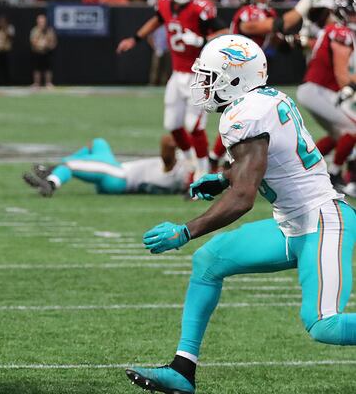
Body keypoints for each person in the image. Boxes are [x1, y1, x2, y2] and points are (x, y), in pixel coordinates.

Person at [126, 34, 355, 394]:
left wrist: (186, 230)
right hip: (293, 224)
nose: (204, 84)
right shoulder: (265, 99)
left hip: (324, 220)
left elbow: (244, 197)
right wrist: (223, 176)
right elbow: (262, 164)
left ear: (237, 77)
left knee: (323, 325)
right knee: (208, 261)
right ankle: (182, 369)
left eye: (211, 76)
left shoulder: (244, 114)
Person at [116, 0, 228, 179]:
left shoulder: (201, 8)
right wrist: (135, 39)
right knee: (173, 124)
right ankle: (189, 161)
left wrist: (201, 40)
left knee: (193, 125)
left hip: (199, 74)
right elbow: (156, 20)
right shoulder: (165, 4)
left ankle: (203, 168)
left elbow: (225, 32)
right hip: (177, 74)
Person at [208, 0, 324, 170]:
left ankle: (223, 158)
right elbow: (272, 26)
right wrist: (304, 4)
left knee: (250, 116)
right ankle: (218, 158)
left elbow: (280, 41)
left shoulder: (266, 11)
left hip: (253, 73)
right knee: (241, 116)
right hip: (238, 73)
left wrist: (299, 41)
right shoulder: (247, 12)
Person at [296, 0, 356, 188]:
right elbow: (341, 75)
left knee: (338, 136)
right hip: (319, 89)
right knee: (352, 129)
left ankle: (302, 172)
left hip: (317, 89)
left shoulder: (333, 31)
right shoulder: (341, 33)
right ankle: (334, 174)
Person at [22, 135, 192, 197]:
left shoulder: (175, 171)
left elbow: (167, 143)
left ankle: (51, 183)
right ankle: (55, 171)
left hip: (119, 177)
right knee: (99, 143)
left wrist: (185, 138)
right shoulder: (184, 174)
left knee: (69, 165)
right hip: (119, 169)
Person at [29, 14, 57, 88]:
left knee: (48, 68)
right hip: (37, 52)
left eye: (43, 21)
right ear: (37, 22)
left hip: (47, 52)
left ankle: (48, 83)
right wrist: (39, 45)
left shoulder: (49, 30)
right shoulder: (34, 30)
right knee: (37, 68)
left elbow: (53, 41)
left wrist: (47, 45)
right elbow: (32, 41)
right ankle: (36, 83)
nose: (42, 23)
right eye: (40, 21)